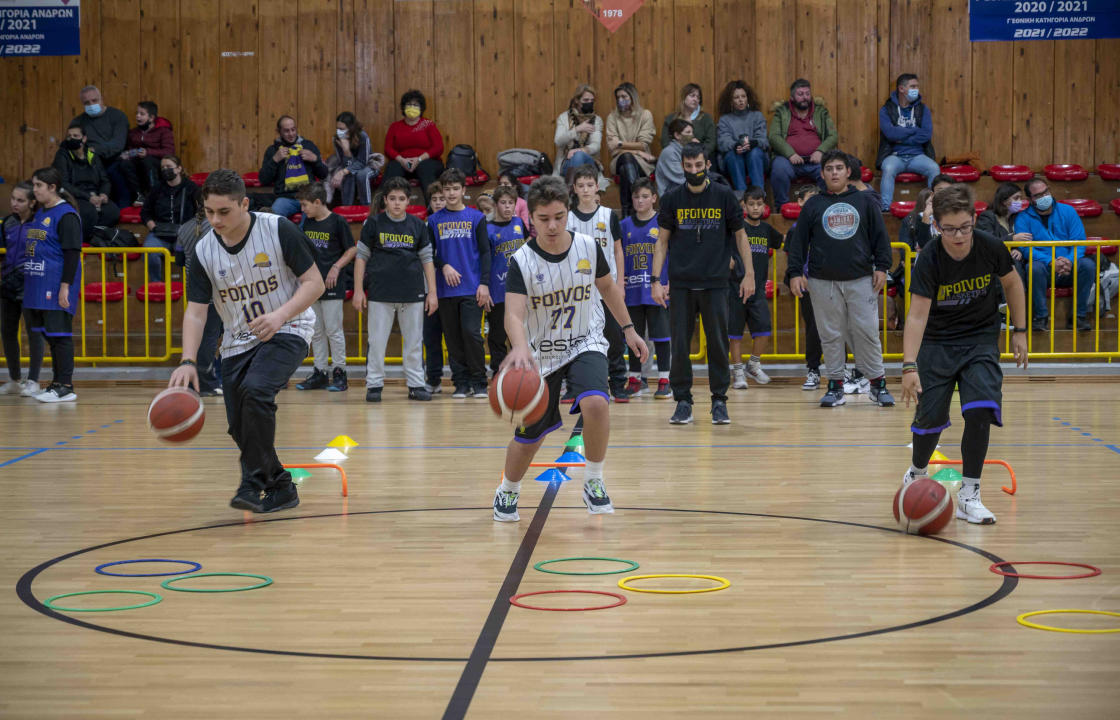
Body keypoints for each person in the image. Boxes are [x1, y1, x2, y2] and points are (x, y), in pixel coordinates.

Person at [490, 175, 648, 523]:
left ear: (568, 213)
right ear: (530, 217)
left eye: (559, 217)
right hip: (539, 354)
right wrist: (518, 348)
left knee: (596, 402)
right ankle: (508, 490)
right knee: (531, 436)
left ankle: (593, 480)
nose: (552, 225)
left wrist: (630, 330)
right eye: (544, 218)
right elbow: (513, 314)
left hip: (584, 341)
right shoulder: (521, 261)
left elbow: (608, 289)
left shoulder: (588, 247)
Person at [171, 169, 325, 513]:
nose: (215, 220)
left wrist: (280, 315)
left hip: (289, 327)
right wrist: (188, 360)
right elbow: (196, 311)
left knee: (256, 391)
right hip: (236, 342)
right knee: (240, 427)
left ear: (244, 203)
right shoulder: (204, 250)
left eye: (223, 212)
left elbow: (314, 283)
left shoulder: (277, 228)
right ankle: (281, 487)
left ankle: (251, 481)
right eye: (209, 212)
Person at [900, 183, 1029, 525]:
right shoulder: (929, 257)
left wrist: (1019, 332)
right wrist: (909, 366)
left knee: (981, 410)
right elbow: (916, 315)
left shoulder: (990, 247)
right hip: (937, 343)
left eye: (965, 227)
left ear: (975, 219)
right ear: (936, 226)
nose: (958, 235)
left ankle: (970, 493)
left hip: (980, 340)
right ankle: (916, 473)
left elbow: (1013, 283)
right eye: (949, 229)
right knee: (930, 418)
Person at [651, 142, 755, 425]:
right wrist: (655, 280)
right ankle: (683, 400)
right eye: (688, 167)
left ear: (707, 165)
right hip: (682, 284)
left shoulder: (724, 196)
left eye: (699, 165)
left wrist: (749, 274)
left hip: (716, 283)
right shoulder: (672, 198)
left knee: (719, 345)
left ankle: (719, 400)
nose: (694, 171)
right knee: (680, 347)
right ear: (682, 167)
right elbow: (661, 242)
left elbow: (741, 237)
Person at [787, 149, 894, 408]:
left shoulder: (865, 201)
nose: (834, 172)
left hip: (860, 278)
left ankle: (878, 385)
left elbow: (880, 237)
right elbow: (798, 242)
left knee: (868, 332)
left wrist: (882, 266)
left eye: (838, 168)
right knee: (830, 334)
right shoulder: (813, 204)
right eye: (829, 168)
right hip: (822, 280)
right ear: (822, 174)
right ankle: (835, 385)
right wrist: (794, 273)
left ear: (848, 172)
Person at [353, 176, 437, 402]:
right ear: (385, 201)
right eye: (392, 199)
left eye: (401, 199)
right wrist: (359, 290)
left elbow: (427, 259)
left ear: (408, 201)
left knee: (414, 342)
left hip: (413, 292)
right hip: (380, 292)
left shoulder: (418, 225)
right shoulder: (373, 224)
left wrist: (432, 292)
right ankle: (374, 385)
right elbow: (361, 257)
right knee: (377, 341)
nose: (397, 203)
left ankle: (416, 384)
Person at [566, 164, 628, 401]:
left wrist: (620, 283)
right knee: (575, 339)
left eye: (590, 185)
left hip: (607, 288)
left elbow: (618, 251)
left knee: (614, 337)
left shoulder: (609, 215)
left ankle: (618, 383)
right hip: (578, 290)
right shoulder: (568, 218)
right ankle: (574, 386)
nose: (585, 189)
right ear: (574, 188)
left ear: (597, 187)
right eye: (581, 185)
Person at [429, 168, 491, 398]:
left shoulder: (477, 218)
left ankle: (479, 381)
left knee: (471, 333)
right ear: (442, 192)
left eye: (456, 188)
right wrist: (443, 265)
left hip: (471, 287)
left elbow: (486, 253)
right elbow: (428, 253)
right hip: (445, 290)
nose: (451, 193)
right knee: (452, 338)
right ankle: (461, 382)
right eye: (447, 189)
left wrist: (484, 283)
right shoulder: (434, 220)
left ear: (464, 190)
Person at [23, 167, 82, 403]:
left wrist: (65, 286)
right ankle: (56, 383)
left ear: (52, 187)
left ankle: (66, 386)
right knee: (48, 334)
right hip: (37, 285)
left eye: (38, 185)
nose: (34, 190)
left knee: (60, 336)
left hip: (56, 285)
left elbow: (72, 254)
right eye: (34, 185)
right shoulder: (39, 213)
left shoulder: (66, 215)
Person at [292, 183, 355, 392]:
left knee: (333, 330)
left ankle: (339, 372)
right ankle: (320, 372)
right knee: (316, 331)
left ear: (318, 202)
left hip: (332, 284)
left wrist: (336, 267)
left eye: (305, 205)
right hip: (312, 285)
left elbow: (352, 249)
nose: (303, 209)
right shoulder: (307, 223)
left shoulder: (337, 221)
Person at [1014, 178, 1094, 331]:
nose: (1044, 197)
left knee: (1088, 265)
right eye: (1038, 195)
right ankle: (1040, 317)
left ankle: (1078, 317)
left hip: (1069, 267)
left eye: (1046, 192)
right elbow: (1025, 248)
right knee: (1033, 268)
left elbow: (1079, 241)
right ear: (1030, 199)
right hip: (1044, 269)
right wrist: (1051, 262)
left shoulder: (1068, 211)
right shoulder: (1023, 218)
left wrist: (1069, 260)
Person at [620, 178, 671, 399]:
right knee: (634, 336)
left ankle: (664, 379)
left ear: (653, 198)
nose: (640, 201)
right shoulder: (624, 226)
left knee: (661, 335)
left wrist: (670, 282)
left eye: (644, 196)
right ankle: (635, 379)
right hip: (632, 289)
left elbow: (673, 255)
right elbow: (618, 256)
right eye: (636, 197)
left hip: (656, 289)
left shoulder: (662, 223)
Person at [729, 188, 783, 389]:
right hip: (734, 289)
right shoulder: (737, 228)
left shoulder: (767, 230)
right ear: (744, 205)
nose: (755, 207)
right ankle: (737, 371)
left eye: (759, 204)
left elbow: (784, 242)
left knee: (764, 331)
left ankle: (753, 364)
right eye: (751, 204)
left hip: (758, 289)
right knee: (734, 334)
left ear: (764, 206)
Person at [0, 183, 45, 396]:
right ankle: (15, 379)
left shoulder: (39, 223)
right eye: (13, 199)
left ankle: (34, 381)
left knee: (34, 332)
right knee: (8, 331)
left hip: (30, 283)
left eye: (20, 200)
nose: (14, 204)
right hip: (7, 284)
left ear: (32, 202)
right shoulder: (7, 222)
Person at [768, 79, 839, 208]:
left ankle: (825, 207)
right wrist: (790, 154)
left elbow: (833, 136)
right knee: (778, 169)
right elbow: (773, 136)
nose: (804, 97)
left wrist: (820, 151)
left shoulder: (820, 112)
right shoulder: (782, 112)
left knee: (829, 170)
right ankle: (782, 207)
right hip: (788, 160)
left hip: (816, 161)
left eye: (807, 93)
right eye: (800, 94)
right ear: (792, 97)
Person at [177, 205, 224, 396]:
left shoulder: (183, 229)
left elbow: (179, 259)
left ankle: (196, 380)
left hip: (194, 290)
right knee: (208, 341)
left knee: (201, 339)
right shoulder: (215, 229)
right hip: (214, 293)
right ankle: (205, 383)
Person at [876, 73, 939, 211]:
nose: (916, 89)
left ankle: (932, 208)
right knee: (888, 168)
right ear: (901, 89)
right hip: (895, 155)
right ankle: (885, 209)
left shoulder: (922, 109)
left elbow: (926, 134)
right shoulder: (887, 109)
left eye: (917, 86)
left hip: (918, 156)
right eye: (913, 86)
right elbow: (891, 134)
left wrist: (901, 134)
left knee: (934, 168)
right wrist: (913, 129)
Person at [484, 185, 529, 375]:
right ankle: (498, 372)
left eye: (511, 203)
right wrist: (484, 286)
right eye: (503, 203)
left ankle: (524, 370)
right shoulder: (488, 229)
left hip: (520, 290)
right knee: (497, 334)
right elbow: (484, 261)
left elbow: (529, 250)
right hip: (497, 291)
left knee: (520, 332)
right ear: (495, 205)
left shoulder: (519, 223)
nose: (508, 207)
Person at [782, 184, 822, 390]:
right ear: (799, 202)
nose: (813, 202)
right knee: (813, 328)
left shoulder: (827, 225)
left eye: (817, 198)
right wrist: (798, 276)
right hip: (807, 286)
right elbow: (792, 258)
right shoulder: (795, 230)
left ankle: (841, 370)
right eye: (809, 198)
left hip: (829, 283)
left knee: (838, 328)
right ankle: (813, 369)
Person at [53, 122, 120, 238]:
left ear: (84, 139)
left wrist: (104, 194)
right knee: (89, 212)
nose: (71, 138)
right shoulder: (62, 155)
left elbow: (105, 180)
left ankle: (97, 234)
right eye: (69, 136)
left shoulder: (92, 156)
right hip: (74, 196)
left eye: (75, 136)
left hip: (94, 194)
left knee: (112, 211)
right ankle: (88, 238)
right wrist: (88, 198)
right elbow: (63, 183)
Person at [140, 155, 200, 282]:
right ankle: (156, 285)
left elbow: (201, 211)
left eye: (169, 167)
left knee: (195, 252)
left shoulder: (191, 188)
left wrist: (190, 229)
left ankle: (191, 285)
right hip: (160, 232)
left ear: (179, 169)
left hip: (184, 233)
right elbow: (145, 212)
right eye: (163, 167)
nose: (165, 170)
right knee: (149, 251)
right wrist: (152, 226)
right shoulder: (157, 188)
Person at [258, 115, 329, 219]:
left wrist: (315, 160)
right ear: (279, 131)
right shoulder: (273, 150)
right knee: (272, 219)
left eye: (293, 129)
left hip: (309, 197)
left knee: (307, 226)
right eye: (286, 131)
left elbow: (324, 174)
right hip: (285, 198)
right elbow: (263, 180)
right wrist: (275, 160)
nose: (291, 134)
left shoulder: (308, 145)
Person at [72, 85, 130, 205]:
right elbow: (73, 144)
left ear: (102, 99)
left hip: (115, 159)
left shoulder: (118, 116)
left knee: (117, 170)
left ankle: (123, 208)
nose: (91, 105)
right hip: (90, 161)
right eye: (87, 103)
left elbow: (117, 145)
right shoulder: (78, 122)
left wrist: (95, 149)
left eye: (94, 100)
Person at [605, 82, 656, 217]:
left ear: (632, 97)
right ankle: (638, 196)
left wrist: (620, 144)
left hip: (641, 163)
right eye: (618, 97)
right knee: (626, 158)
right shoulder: (612, 117)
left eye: (624, 96)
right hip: (619, 159)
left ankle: (628, 213)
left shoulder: (645, 115)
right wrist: (637, 151)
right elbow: (612, 147)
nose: (621, 100)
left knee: (624, 170)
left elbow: (643, 144)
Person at [383, 90, 445, 200]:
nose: (412, 107)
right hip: (402, 162)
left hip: (426, 162)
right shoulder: (395, 126)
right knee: (393, 168)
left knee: (425, 168)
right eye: (409, 104)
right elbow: (388, 148)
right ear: (403, 107)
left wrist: (419, 159)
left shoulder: (428, 124)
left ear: (421, 108)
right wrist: (402, 160)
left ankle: (433, 210)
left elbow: (438, 147)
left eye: (416, 105)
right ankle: (384, 208)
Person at [716, 80, 769, 194]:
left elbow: (763, 140)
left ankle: (759, 195)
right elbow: (722, 142)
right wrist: (735, 145)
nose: (741, 100)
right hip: (734, 157)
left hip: (756, 157)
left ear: (747, 98)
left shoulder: (757, 116)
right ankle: (742, 197)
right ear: (730, 100)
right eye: (736, 97)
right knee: (733, 156)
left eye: (743, 96)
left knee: (754, 153)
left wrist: (753, 143)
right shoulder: (725, 119)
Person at [121, 101, 175, 205]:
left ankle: (153, 195)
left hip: (157, 162)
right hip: (138, 161)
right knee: (124, 164)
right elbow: (130, 147)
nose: (138, 116)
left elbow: (169, 151)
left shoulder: (163, 131)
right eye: (137, 113)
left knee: (147, 161)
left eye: (142, 114)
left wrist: (148, 152)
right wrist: (128, 154)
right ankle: (138, 195)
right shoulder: (134, 132)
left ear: (151, 118)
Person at [976, 181, 1031, 280]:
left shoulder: (1017, 217)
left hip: (1013, 260)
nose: (1020, 201)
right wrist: (1012, 239)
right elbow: (986, 242)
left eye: (1020, 198)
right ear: (1004, 200)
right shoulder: (987, 217)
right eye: (1016, 198)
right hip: (992, 261)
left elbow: (1025, 240)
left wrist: (1018, 250)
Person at [423, 181, 448, 392]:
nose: (439, 203)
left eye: (442, 198)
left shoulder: (458, 222)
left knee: (455, 337)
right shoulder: (425, 225)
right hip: (429, 289)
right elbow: (427, 256)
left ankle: (463, 379)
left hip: (454, 288)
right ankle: (433, 379)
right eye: (435, 199)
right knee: (431, 338)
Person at [553, 84, 604, 183]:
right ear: (577, 100)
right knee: (577, 157)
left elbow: (596, 145)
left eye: (591, 101)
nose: (589, 103)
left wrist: (579, 150)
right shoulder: (564, 118)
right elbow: (558, 141)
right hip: (566, 163)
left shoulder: (596, 120)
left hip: (589, 162)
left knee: (579, 156)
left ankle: (572, 191)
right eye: (585, 100)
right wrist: (577, 129)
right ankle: (574, 190)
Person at [660, 83, 717, 161]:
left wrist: (698, 151)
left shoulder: (706, 118)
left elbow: (711, 143)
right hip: (676, 157)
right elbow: (665, 142)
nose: (695, 99)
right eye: (692, 95)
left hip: (700, 158)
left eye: (698, 97)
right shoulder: (671, 119)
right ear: (684, 97)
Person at [331, 111, 376, 206]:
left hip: (369, 165)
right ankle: (346, 208)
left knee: (361, 174)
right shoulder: (336, 139)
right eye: (337, 128)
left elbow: (363, 162)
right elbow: (343, 164)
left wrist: (347, 151)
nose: (339, 131)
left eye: (342, 129)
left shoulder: (363, 136)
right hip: (349, 165)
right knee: (348, 174)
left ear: (351, 128)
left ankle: (366, 207)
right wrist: (346, 153)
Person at [656, 118, 693, 196]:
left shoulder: (688, 150)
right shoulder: (669, 152)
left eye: (692, 132)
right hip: (671, 195)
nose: (692, 135)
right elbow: (682, 178)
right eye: (688, 132)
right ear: (677, 135)